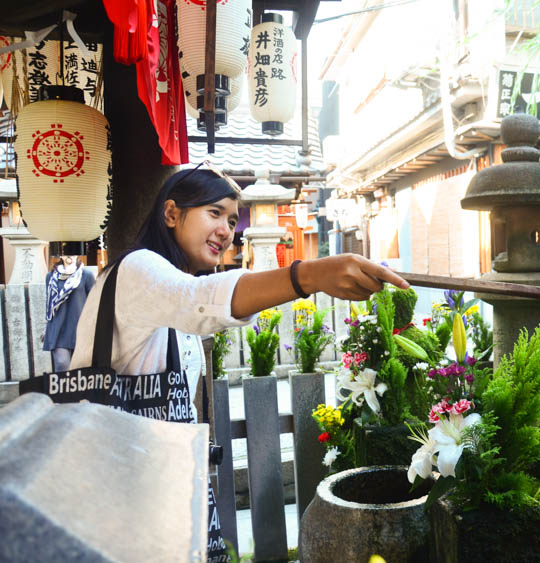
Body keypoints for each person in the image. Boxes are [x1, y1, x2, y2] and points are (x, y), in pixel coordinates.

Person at [69, 165, 408, 560]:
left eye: (232, 220)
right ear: (172, 214)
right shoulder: (137, 269)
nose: (226, 231)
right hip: (121, 487)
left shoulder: (168, 286)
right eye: (214, 213)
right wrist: (307, 276)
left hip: (156, 484)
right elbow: (196, 299)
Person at [44, 255, 95, 372]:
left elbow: (94, 302)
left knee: (81, 369)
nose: (69, 255)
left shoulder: (86, 275)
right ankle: (60, 391)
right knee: (62, 364)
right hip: (58, 328)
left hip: (80, 327)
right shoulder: (51, 277)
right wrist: (45, 327)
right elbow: (49, 304)